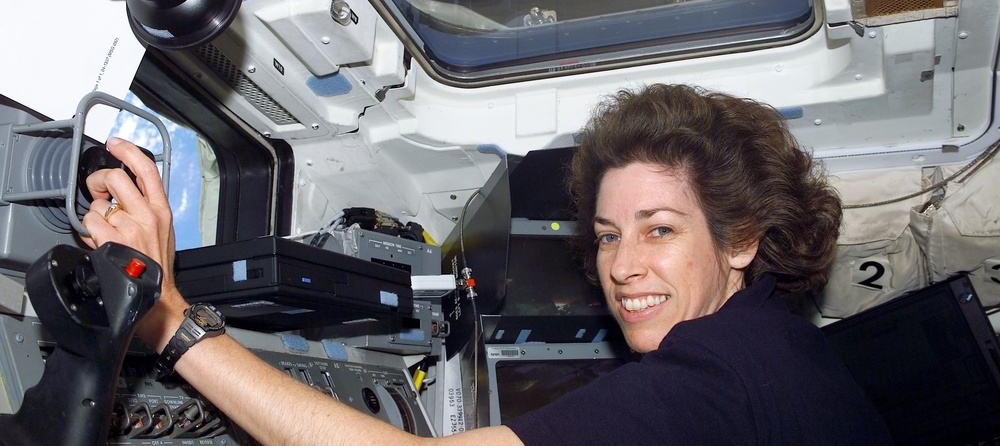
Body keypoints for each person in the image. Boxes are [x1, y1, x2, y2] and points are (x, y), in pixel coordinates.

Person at [80, 83, 892, 445]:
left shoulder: (709, 379)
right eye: (609, 236)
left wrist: (176, 322)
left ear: (742, 239)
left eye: (660, 230)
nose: (623, 266)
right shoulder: (782, 346)